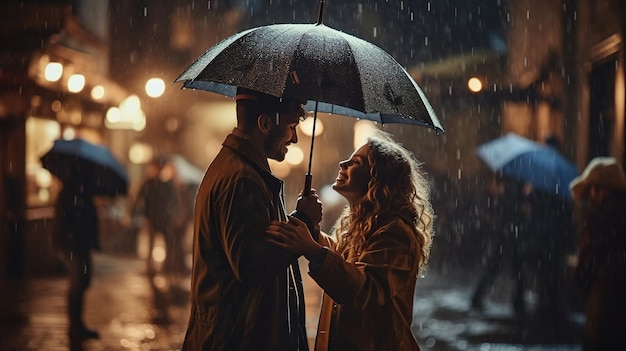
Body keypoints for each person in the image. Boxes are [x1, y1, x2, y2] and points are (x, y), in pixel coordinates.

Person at [181, 87, 322, 351]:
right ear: (265, 123)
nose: (294, 138)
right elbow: (251, 264)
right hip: (237, 339)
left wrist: (299, 220)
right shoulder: (242, 178)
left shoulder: (244, 169)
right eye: (292, 126)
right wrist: (303, 219)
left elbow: (258, 240)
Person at [266, 131, 434, 350]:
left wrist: (312, 249)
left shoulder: (395, 232)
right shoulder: (362, 224)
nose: (342, 163)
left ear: (376, 178)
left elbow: (366, 289)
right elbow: (345, 261)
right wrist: (313, 232)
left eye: (355, 162)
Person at [569, 157, 626, 351]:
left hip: (604, 306)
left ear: (599, 190)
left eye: (590, 191)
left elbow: (585, 269)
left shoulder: (599, 220)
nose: (589, 198)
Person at [53, 175, 100, 341]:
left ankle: (78, 323)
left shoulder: (82, 193)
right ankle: (74, 326)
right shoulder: (70, 194)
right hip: (74, 245)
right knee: (78, 283)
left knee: (83, 281)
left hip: (81, 244)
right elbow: (66, 220)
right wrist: (69, 240)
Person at [132, 155, 189, 276]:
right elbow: (138, 198)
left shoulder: (164, 184)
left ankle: (164, 266)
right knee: (156, 242)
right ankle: (154, 267)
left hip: (163, 218)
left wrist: (175, 213)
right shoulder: (150, 183)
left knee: (166, 242)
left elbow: (174, 201)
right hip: (154, 217)